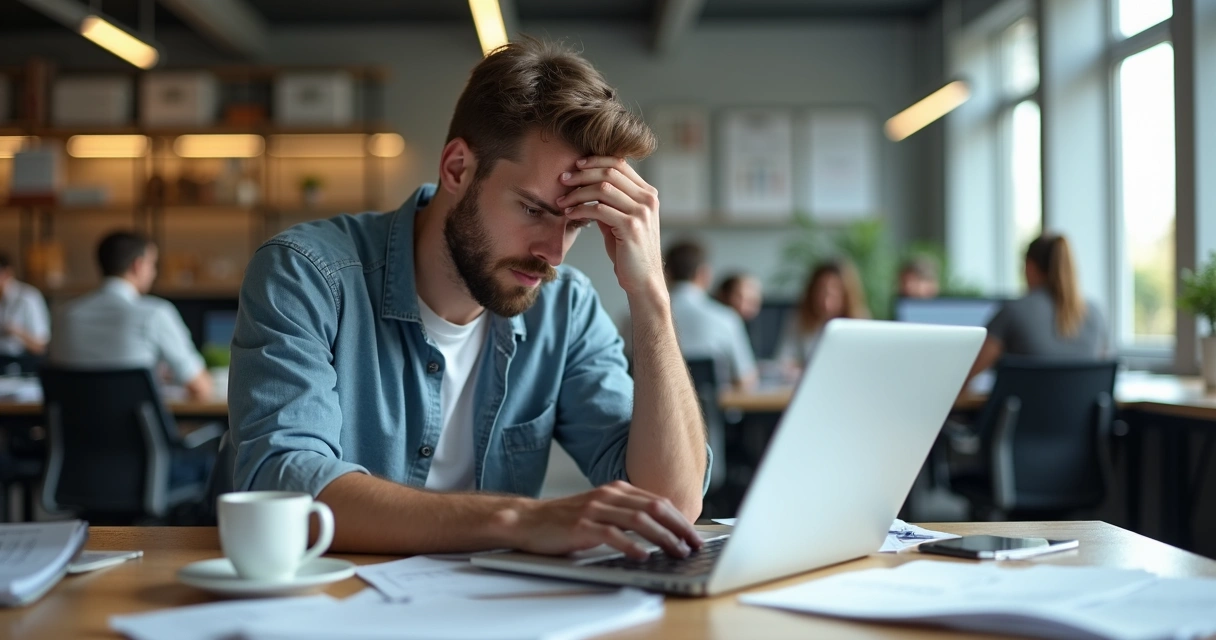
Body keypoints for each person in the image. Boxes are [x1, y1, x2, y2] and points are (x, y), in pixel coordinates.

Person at [213, 38, 708, 560]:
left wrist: (650, 293)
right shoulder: (307, 274)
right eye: (534, 210)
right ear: (456, 168)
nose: (554, 254)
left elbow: (670, 502)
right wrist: (519, 519)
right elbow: (287, 487)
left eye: (577, 225)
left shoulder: (567, 310)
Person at [50, 231, 214, 401]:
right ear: (138, 265)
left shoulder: (64, 315)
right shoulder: (155, 313)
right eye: (153, 264)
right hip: (137, 427)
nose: (154, 273)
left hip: (75, 427)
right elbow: (200, 386)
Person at [968, 234, 1108, 379]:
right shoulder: (1095, 313)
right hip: (1079, 403)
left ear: (1030, 267)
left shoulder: (1013, 311)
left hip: (1026, 402)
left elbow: (966, 372)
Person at [663, 242, 757, 389]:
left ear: (665, 273)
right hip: (710, 411)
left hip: (653, 411)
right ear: (704, 274)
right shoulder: (726, 318)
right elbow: (745, 379)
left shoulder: (630, 317)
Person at [776, 260, 870, 370]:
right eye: (821, 292)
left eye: (833, 294)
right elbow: (783, 359)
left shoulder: (860, 325)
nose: (826, 301)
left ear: (846, 295)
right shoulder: (799, 320)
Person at [0, 253, 50, 359]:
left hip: (19, 362)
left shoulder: (28, 297)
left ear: (7, 272)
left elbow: (41, 347)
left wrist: (15, 331)